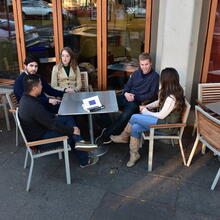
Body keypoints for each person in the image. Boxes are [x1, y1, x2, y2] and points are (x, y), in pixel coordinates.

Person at [110, 67, 186, 167]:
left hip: (167, 126)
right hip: (162, 121)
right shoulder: (169, 91)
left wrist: (145, 111)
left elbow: (161, 115)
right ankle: (134, 155)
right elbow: (158, 102)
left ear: (166, 80)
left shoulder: (172, 97)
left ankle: (124, 137)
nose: (161, 80)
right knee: (135, 127)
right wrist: (147, 106)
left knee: (134, 117)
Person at [18, 74, 98, 168]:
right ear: (35, 88)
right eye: (40, 84)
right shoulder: (33, 105)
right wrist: (72, 130)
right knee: (74, 132)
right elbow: (52, 125)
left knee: (67, 118)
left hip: (41, 129)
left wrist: (54, 115)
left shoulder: (26, 98)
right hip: (40, 140)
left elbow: (42, 117)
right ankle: (85, 160)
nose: (42, 86)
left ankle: (80, 144)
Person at [95, 52, 159, 145]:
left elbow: (152, 94)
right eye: (142, 64)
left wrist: (135, 97)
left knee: (124, 116)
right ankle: (109, 127)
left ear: (151, 63)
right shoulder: (136, 73)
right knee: (104, 102)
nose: (144, 67)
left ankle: (106, 135)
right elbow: (128, 86)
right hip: (126, 97)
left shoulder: (155, 77)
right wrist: (125, 93)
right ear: (139, 64)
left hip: (137, 102)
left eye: (146, 64)